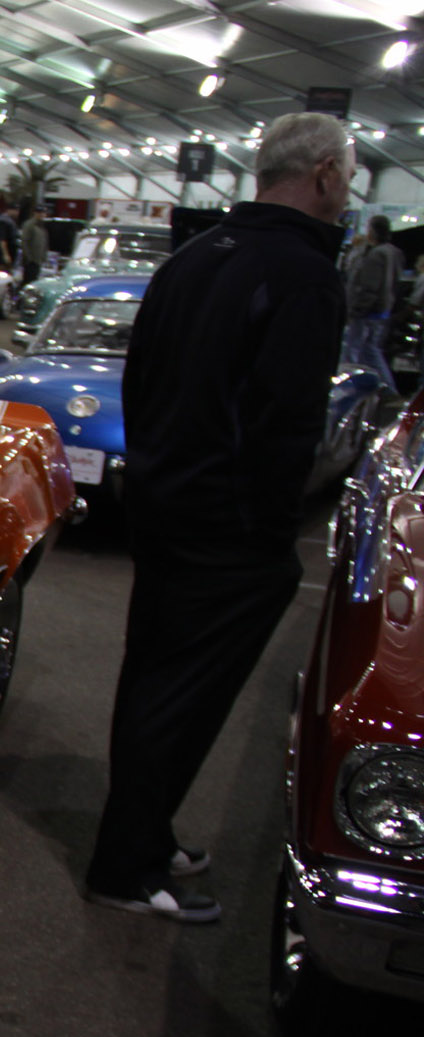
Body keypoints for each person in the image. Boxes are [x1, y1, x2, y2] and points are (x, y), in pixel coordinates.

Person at [82, 111, 352, 923]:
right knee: (182, 695)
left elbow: (142, 380)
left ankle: (145, 835)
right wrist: (271, 532)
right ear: (325, 178)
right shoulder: (303, 273)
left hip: (167, 507)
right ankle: (125, 866)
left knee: (154, 677)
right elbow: (285, 420)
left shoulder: (195, 255)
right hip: (229, 528)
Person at [341, 213, 402, 390]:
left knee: (353, 353)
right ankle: (386, 388)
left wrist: (355, 310)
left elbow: (368, 286)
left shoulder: (376, 255)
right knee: (370, 351)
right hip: (382, 311)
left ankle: (353, 389)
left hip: (366, 312)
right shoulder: (394, 253)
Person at [19, 203, 48, 285]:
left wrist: (44, 256)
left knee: (34, 280)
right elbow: (25, 241)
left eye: (43, 212)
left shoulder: (41, 226)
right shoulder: (29, 225)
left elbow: (44, 242)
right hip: (31, 260)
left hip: (38, 260)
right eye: (39, 212)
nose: (41, 214)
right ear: (35, 213)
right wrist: (29, 258)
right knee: (28, 281)